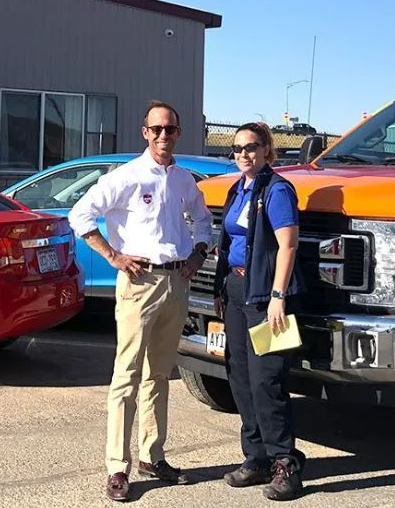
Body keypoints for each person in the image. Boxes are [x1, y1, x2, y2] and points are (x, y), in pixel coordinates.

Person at [68, 100, 213, 502]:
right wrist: (113, 255)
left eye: (171, 129)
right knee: (126, 375)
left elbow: (203, 220)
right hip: (139, 282)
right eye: (157, 129)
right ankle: (118, 466)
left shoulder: (184, 180)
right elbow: (80, 214)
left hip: (176, 281)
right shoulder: (127, 177)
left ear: (179, 134)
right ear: (145, 133)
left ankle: (153, 455)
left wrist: (199, 253)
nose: (164, 136)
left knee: (160, 375)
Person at [213, 121, 305, 501]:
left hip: (266, 296)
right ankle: (256, 458)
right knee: (239, 376)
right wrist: (221, 288)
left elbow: (288, 246)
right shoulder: (239, 188)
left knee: (268, 380)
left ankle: (285, 462)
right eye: (236, 149)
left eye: (251, 147)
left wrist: (278, 296)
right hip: (236, 291)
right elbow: (228, 240)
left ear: (268, 149)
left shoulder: (277, 190)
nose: (243, 155)